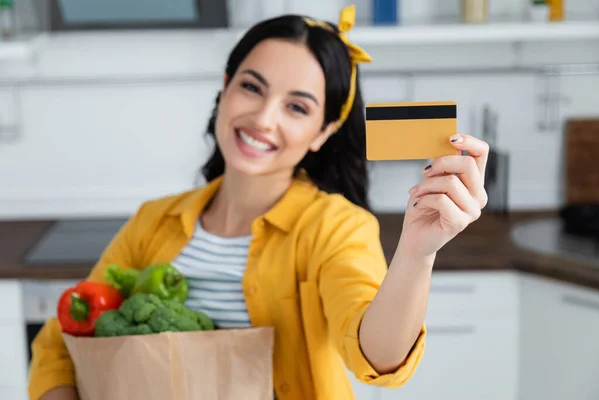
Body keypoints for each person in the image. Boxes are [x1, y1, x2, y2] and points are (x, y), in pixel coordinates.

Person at [28, 5, 489, 400]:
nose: (264, 119)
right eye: (252, 87)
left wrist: (416, 252)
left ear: (323, 133)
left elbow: (377, 354)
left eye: (297, 107)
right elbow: (58, 345)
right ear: (225, 87)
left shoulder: (336, 228)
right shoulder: (155, 220)